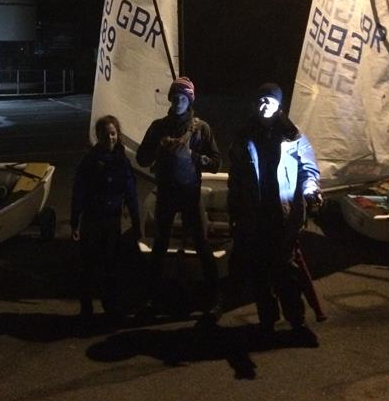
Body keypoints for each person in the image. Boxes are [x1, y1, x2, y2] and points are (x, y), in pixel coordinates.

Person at [227, 82, 322, 336]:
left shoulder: (294, 136)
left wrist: (311, 189)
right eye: (260, 100)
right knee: (259, 271)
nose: (264, 104)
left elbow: (309, 168)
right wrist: (233, 212)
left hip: (284, 214)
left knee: (285, 270)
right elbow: (235, 178)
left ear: (280, 105)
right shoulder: (244, 136)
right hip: (254, 215)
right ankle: (267, 319)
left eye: (270, 100)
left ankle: (296, 320)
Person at [136, 76, 222, 315]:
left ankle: (214, 298)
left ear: (190, 99)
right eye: (174, 96)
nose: (178, 101)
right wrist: (158, 147)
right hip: (165, 193)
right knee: (159, 246)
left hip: (190, 195)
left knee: (202, 244)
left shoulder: (200, 128)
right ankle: (153, 297)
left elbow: (216, 162)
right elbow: (142, 159)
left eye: (183, 97)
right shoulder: (158, 127)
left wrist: (193, 156)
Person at [71, 115, 140, 321]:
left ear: (118, 135)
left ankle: (110, 307)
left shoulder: (122, 161)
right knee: (88, 266)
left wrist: (136, 222)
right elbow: (79, 191)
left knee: (111, 265)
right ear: (98, 136)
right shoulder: (89, 161)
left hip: (112, 220)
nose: (109, 138)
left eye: (113, 134)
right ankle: (86, 308)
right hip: (92, 219)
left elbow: (130, 192)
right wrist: (75, 220)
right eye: (105, 134)